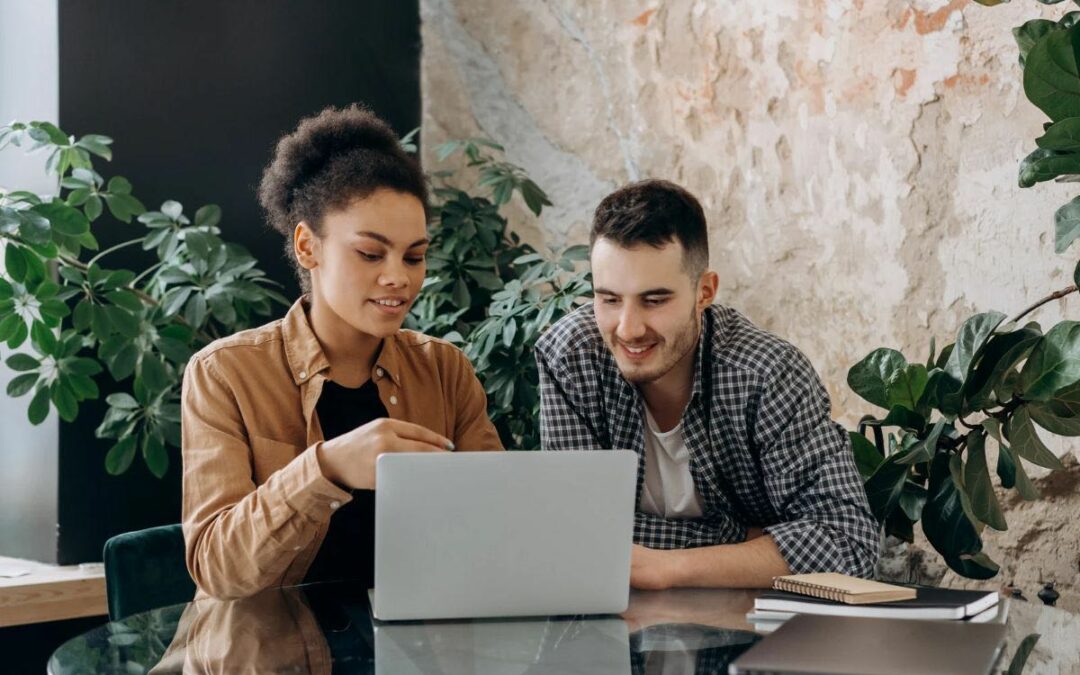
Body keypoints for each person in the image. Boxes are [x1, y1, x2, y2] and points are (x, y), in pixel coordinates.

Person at [182, 105, 502, 600]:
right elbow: (218, 568)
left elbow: (498, 529)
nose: (399, 277)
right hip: (262, 656)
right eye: (371, 254)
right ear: (308, 247)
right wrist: (325, 468)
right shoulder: (225, 373)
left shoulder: (444, 370)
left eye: (414, 256)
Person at [535, 179, 878, 589]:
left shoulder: (766, 373)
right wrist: (742, 538)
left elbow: (849, 543)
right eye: (609, 299)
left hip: (754, 635)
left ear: (705, 291)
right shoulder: (570, 358)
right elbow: (577, 540)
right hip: (615, 629)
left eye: (654, 300)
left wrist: (664, 568)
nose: (628, 329)